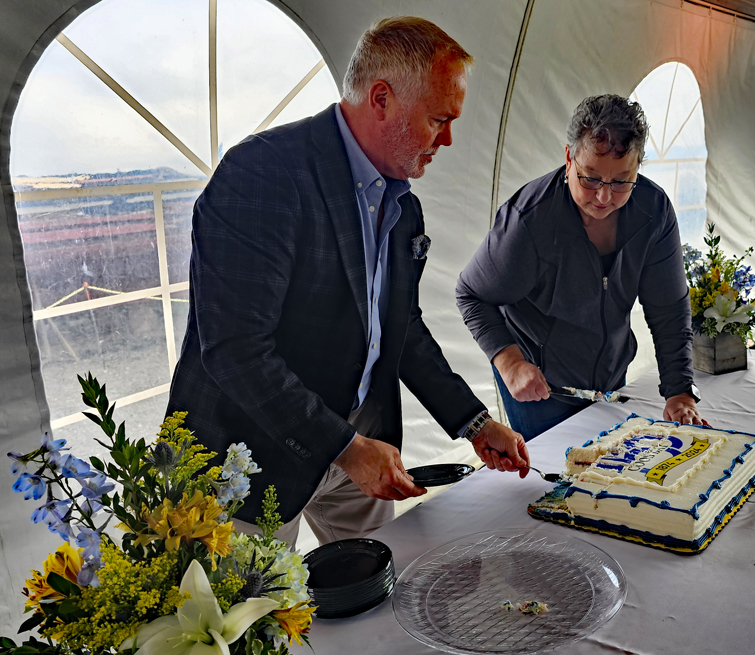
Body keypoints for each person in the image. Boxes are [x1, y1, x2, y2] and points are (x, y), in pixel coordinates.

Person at [166, 16, 528, 547]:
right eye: (437, 119)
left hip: (355, 439)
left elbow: (401, 330)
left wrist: (475, 423)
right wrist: (346, 447)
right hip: (247, 458)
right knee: (250, 623)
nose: (448, 139)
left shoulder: (403, 207)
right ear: (381, 98)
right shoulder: (264, 175)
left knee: (379, 594)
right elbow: (236, 351)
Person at [456, 94, 705, 442]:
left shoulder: (654, 212)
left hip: (610, 373)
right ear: (569, 157)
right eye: (590, 179)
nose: (604, 198)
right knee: (557, 480)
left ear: (638, 168)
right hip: (538, 384)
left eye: (621, 182)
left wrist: (679, 391)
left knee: (606, 468)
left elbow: (669, 308)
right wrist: (510, 363)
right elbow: (471, 295)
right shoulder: (528, 220)